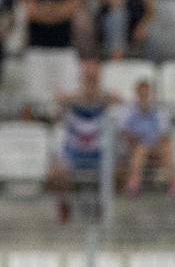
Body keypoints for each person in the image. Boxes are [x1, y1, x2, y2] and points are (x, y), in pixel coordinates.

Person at [46, 59, 121, 222]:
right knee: (55, 174)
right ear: (81, 78)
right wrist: (63, 101)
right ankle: (65, 204)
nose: (91, 81)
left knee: (120, 172)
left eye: (93, 78)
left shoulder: (108, 99)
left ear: (99, 79)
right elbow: (55, 113)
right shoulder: (70, 100)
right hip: (75, 151)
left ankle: (102, 207)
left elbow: (118, 103)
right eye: (88, 77)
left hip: (99, 152)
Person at [21, 0, 83, 119]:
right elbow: (31, 12)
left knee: (67, 98)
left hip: (63, 48)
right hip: (37, 48)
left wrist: (46, 10)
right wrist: (57, 11)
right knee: (37, 99)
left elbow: (71, 8)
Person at [120, 79, 175, 199]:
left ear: (151, 95)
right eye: (142, 94)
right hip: (136, 148)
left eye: (147, 94)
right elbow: (124, 133)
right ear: (137, 95)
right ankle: (134, 184)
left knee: (167, 147)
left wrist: (153, 145)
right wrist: (137, 141)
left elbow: (165, 135)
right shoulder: (128, 111)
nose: (144, 97)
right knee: (141, 150)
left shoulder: (160, 112)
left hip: (156, 148)